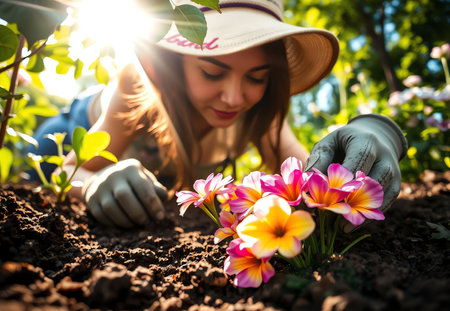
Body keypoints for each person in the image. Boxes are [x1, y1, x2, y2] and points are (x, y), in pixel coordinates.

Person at [26, 0, 407, 230]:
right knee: (30, 176)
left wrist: (375, 127)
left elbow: (308, 174)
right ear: (175, 64)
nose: (234, 97)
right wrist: (92, 183)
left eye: (257, 78)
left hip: (146, 178)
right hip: (69, 130)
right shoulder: (136, 83)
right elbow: (68, 171)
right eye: (212, 72)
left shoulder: (260, 111)